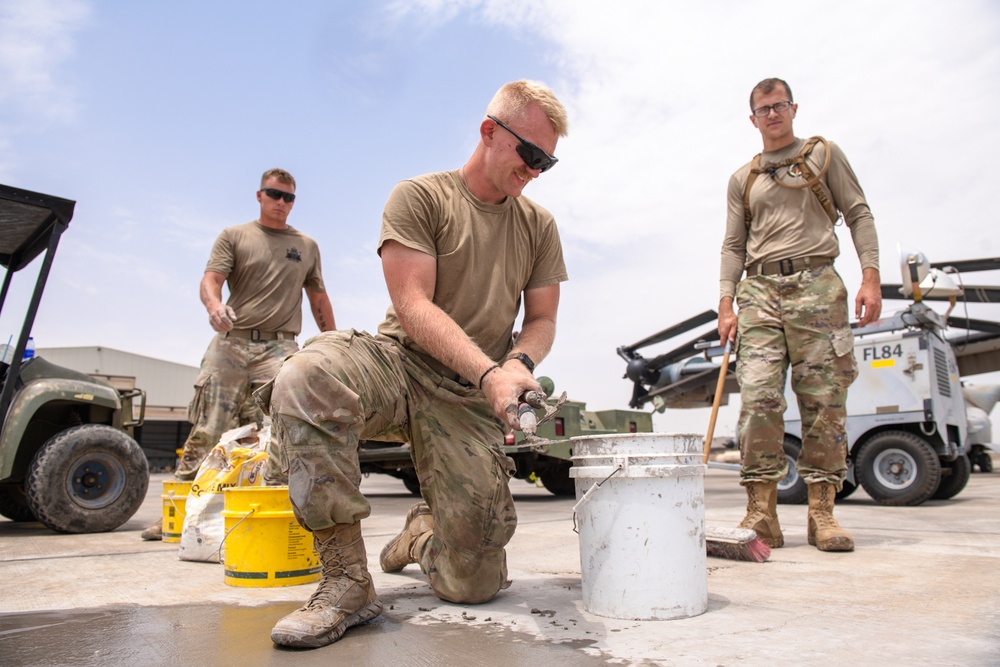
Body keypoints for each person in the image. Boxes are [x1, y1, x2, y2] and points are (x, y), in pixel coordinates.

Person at [257, 80, 569, 648]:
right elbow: (413, 304)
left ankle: (421, 537)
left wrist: (520, 362)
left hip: (469, 397)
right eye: (530, 154)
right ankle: (346, 583)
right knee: (307, 375)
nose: (537, 170)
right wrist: (491, 372)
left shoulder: (538, 226)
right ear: (489, 132)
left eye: (547, 161)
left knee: (474, 582)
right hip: (400, 366)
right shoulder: (422, 198)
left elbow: (543, 317)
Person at [718, 77, 881, 553]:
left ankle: (823, 516)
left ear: (793, 109)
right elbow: (732, 245)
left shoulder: (823, 155)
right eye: (764, 109)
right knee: (759, 401)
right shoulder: (742, 179)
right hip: (761, 292)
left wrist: (870, 277)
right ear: (753, 119)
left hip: (817, 286)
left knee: (824, 403)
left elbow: (859, 213)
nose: (773, 114)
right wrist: (727, 302)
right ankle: (762, 514)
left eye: (780, 105)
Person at [141, 167, 335, 540]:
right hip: (232, 342)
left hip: (280, 345)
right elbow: (211, 280)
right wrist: (214, 307)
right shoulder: (235, 236)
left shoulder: (306, 247)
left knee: (281, 425)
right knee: (208, 428)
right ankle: (175, 517)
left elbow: (318, 298)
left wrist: (331, 342)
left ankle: (264, 514)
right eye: (274, 194)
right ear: (259, 195)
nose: (281, 202)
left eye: (288, 197)